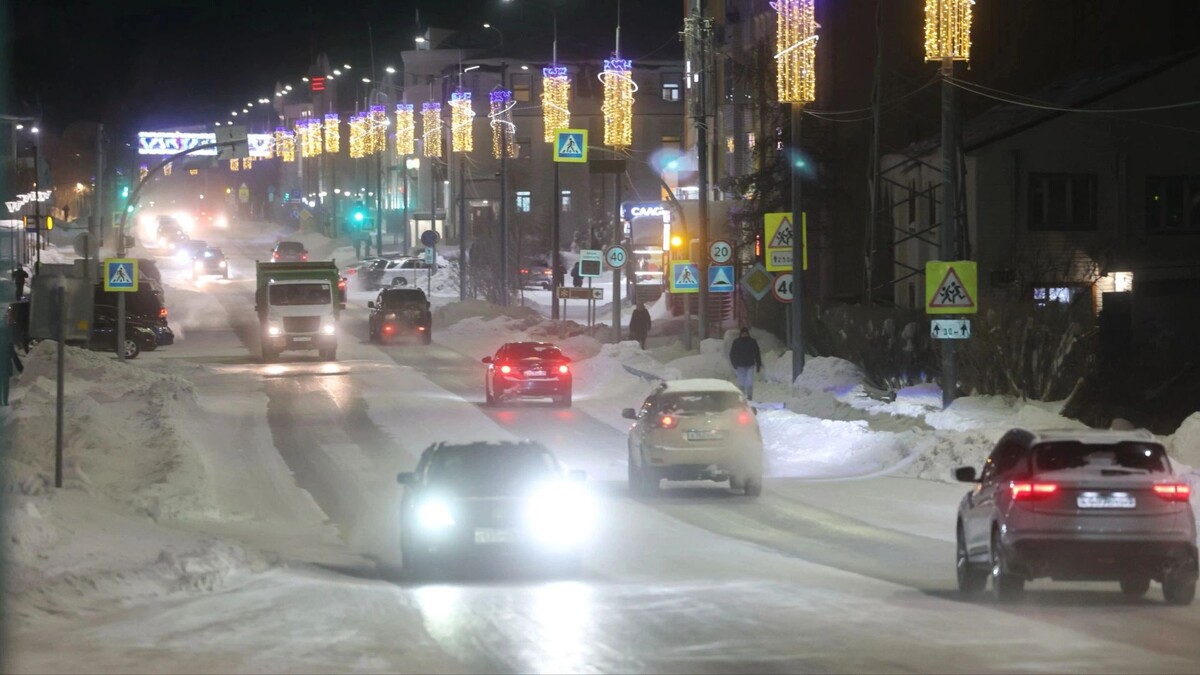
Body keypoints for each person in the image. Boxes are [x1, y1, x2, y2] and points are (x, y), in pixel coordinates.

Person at [729, 325, 763, 400]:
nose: (744, 334)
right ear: (740, 334)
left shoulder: (752, 342)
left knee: (749, 381)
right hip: (740, 365)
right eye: (743, 333)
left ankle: (749, 396)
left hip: (750, 364)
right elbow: (732, 354)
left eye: (746, 333)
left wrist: (758, 363)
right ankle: (741, 395)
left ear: (748, 333)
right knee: (741, 381)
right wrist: (734, 363)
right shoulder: (736, 342)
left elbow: (757, 353)